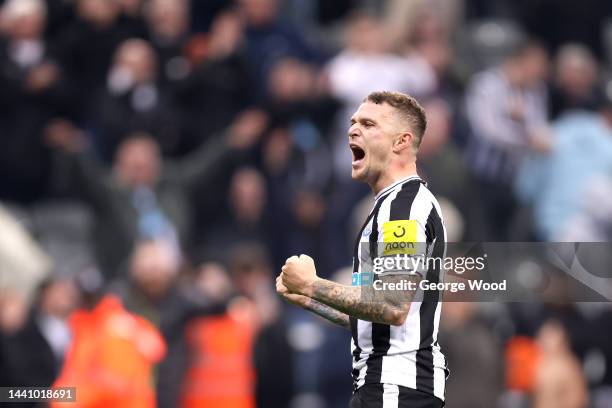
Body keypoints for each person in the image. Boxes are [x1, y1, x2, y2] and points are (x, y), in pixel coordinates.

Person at [277, 91, 447, 407]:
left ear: (401, 142)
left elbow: (392, 306)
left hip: (395, 389)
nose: (353, 130)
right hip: (387, 386)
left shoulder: (403, 207)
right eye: (353, 123)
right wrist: (312, 299)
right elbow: (374, 320)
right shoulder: (387, 207)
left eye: (369, 124)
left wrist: (314, 284)